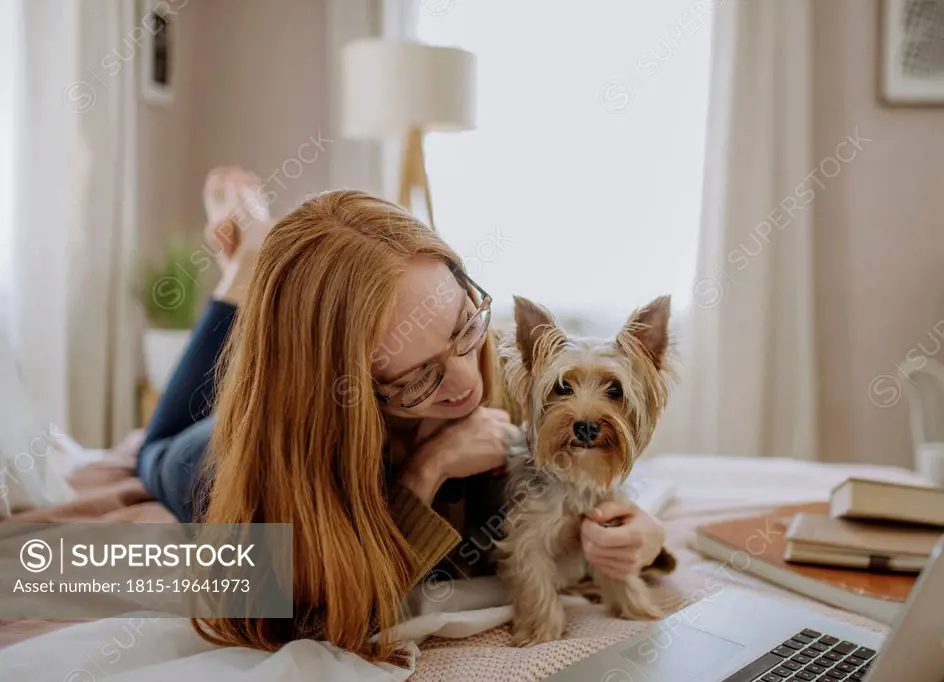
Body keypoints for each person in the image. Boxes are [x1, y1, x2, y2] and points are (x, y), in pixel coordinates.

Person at [136, 169, 670, 659]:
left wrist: (644, 538)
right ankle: (244, 268)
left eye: (465, 326)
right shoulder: (270, 467)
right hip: (192, 454)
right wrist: (426, 470)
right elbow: (314, 616)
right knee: (153, 449)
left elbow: (583, 477)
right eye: (418, 376)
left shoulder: (518, 377)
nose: (468, 383)